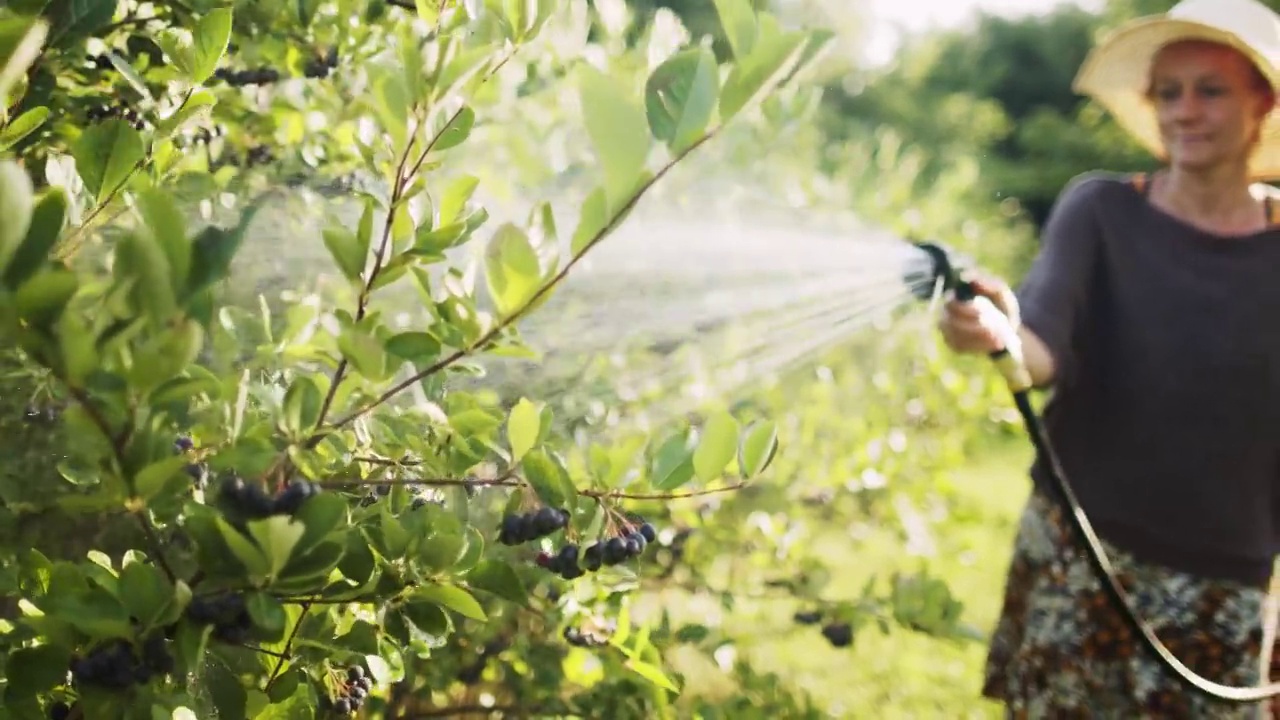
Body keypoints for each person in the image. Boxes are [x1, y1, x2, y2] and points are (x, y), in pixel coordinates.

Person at [936, 0, 1280, 717]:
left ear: (1263, 101)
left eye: (1209, 89)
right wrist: (1000, 332)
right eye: (1167, 91)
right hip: (1079, 552)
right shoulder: (1100, 212)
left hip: (1223, 576)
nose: (1183, 110)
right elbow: (1043, 349)